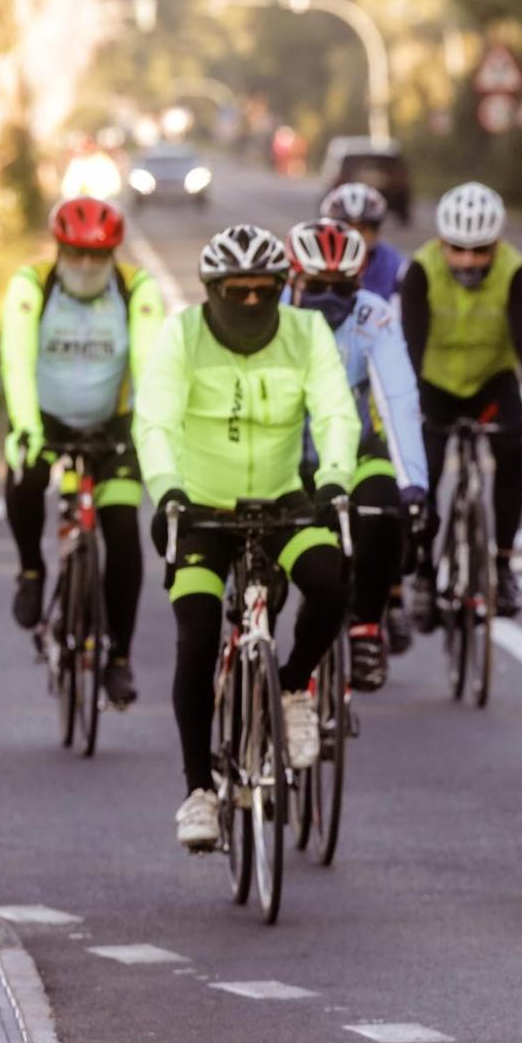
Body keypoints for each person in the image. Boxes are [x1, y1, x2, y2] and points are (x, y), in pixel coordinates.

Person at [134, 225, 359, 852]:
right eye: (239, 292)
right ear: (213, 292)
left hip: (282, 500)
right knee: (198, 635)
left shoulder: (306, 332)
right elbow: (153, 420)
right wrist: (167, 490)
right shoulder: (182, 335)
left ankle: (290, 687)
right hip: (201, 506)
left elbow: (336, 411)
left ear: (284, 289)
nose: (255, 304)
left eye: (267, 291)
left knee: (332, 580)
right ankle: (198, 791)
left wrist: (336, 479)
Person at [1, 196, 166, 707]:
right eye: (76, 253)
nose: (87, 265)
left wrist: (146, 430)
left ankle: (118, 657)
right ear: (59, 249)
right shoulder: (32, 284)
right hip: (46, 417)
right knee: (25, 475)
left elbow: (148, 364)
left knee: (120, 528)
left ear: (115, 253)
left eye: (99, 255)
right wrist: (26, 427)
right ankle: (31, 570)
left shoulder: (136, 288)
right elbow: (16, 357)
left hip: (113, 425)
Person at [400, 182, 522, 619]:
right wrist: (405, 411)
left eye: (480, 250)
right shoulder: (420, 270)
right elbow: (409, 348)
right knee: (422, 475)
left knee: (511, 454)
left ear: (497, 244)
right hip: (434, 385)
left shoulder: (514, 271)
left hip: (492, 383)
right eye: (458, 249)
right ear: (440, 242)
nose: (468, 261)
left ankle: (504, 567)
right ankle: (426, 575)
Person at [286, 218, 430, 691]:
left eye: (343, 286)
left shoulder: (372, 315)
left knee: (385, 507)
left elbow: (398, 396)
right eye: (318, 284)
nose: (330, 296)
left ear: (360, 282)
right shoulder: (272, 311)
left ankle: (367, 625)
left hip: (354, 448)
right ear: (294, 279)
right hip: (287, 453)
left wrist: (415, 485)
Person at [318, 183, 406, 301]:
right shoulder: (314, 262)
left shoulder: (396, 266)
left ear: (376, 229)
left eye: (363, 228)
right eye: (345, 228)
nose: (354, 235)